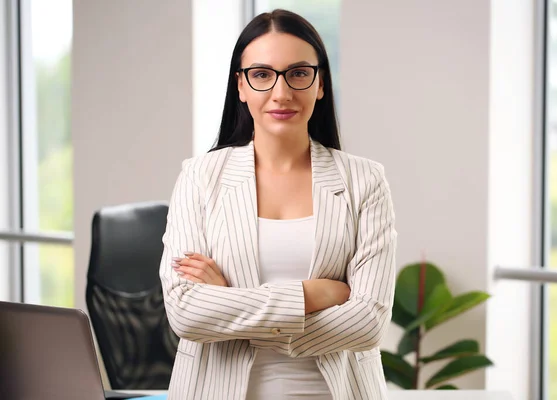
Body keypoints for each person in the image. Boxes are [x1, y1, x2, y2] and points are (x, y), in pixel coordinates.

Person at [159, 9, 397, 400]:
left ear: (320, 84)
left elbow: (368, 322)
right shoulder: (200, 177)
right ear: (241, 86)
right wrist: (314, 295)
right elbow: (187, 311)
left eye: (299, 73)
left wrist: (230, 303)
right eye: (262, 74)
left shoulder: (365, 181)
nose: (281, 92)